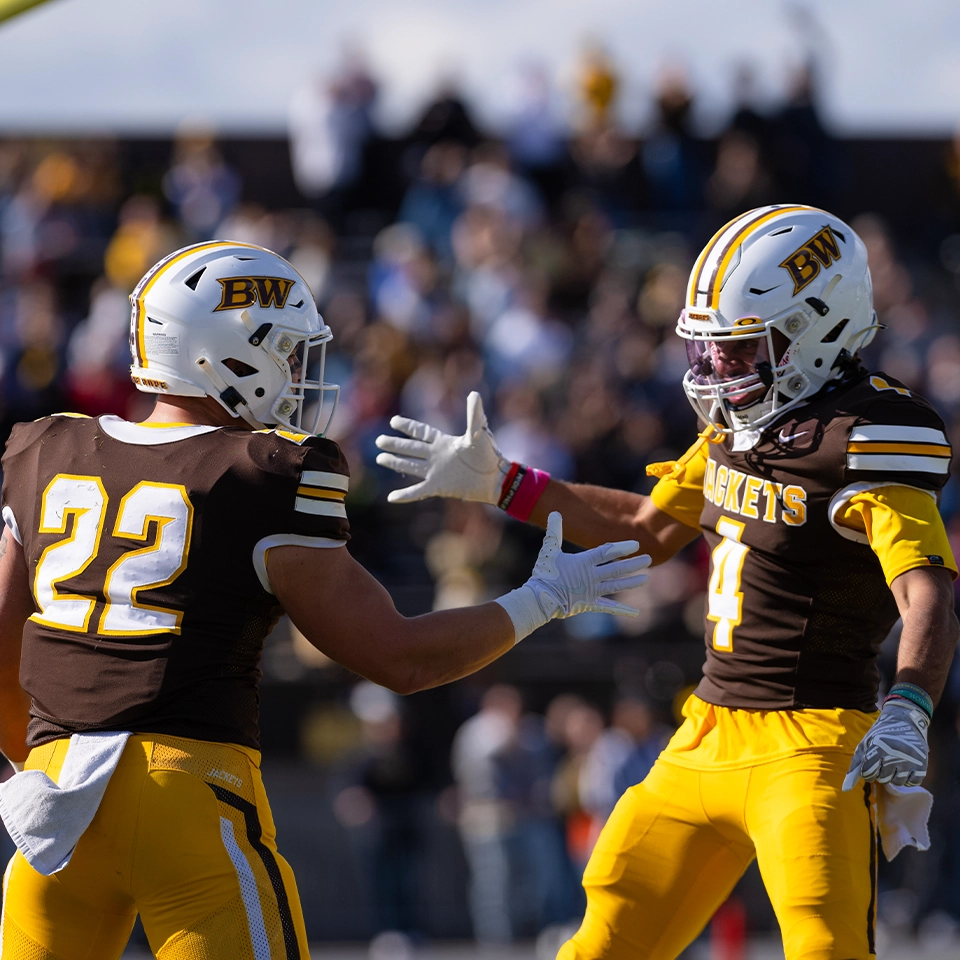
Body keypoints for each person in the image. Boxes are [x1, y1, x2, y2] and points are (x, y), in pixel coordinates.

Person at [0, 240, 652, 959]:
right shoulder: (265, 471)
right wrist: (542, 599)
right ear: (224, 352)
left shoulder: (43, 448)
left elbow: (2, 644)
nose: (296, 374)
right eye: (283, 350)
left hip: (55, 812)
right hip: (189, 803)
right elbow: (399, 659)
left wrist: (37, 767)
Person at [375, 204, 960, 960]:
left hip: (813, 746)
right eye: (711, 351)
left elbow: (926, 588)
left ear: (817, 330)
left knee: (826, 942)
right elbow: (648, 529)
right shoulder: (738, 429)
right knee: (609, 928)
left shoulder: (868, 433)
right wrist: (506, 485)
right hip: (704, 732)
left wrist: (910, 704)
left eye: (740, 350)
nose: (716, 371)